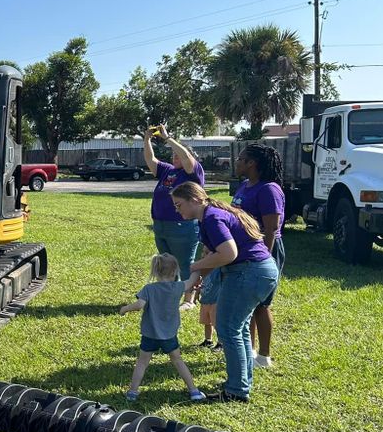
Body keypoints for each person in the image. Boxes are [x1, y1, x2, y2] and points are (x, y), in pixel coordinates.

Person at [172, 182, 279, 403]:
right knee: (237, 329)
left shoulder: (211, 217)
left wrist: (194, 266)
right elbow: (215, 257)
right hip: (261, 271)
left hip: (249, 272)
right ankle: (241, 384)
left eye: (179, 205)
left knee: (228, 329)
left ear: (194, 199)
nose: (177, 210)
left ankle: (237, 391)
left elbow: (229, 253)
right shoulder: (208, 217)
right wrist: (195, 279)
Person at [118, 253, 207, 402]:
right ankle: (194, 391)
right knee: (178, 360)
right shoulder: (178, 287)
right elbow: (192, 281)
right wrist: (200, 266)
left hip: (150, 334)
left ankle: (132, 392)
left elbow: (139, 305)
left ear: (156, 271)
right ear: (175, 272)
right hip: (169, 335)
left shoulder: (149, 289)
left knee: (142, 362)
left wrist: (125, 309)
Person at [231, 144, 285, 369]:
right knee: (247, 304)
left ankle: (263, 356)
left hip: (263, 250)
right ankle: (249, 350)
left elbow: (271, 228)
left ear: (252, 163)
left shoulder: (268, 189)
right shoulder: (244, 186)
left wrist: (264, 258)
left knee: (261, 304)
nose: (237, 162)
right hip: (244, 249)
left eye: (241, 159)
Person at [144, 125, 205, 281]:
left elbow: (186, 158)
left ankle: (188, 299)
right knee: (167, 263)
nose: (174, 157)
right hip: (160, 225)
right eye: (173, 155)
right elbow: (151, 160)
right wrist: (147, 140)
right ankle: (171, 293)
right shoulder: (168, 170)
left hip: (182, 226)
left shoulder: (193, 172)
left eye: (177, 154)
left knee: (185, 263)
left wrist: (167, 138)